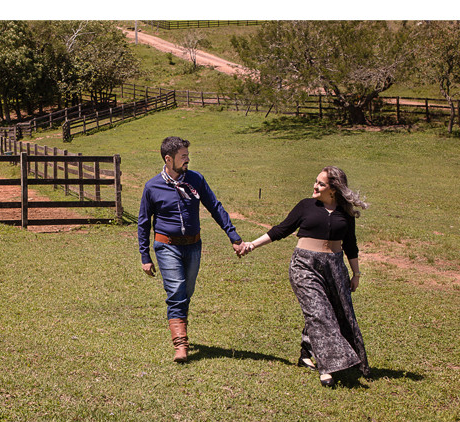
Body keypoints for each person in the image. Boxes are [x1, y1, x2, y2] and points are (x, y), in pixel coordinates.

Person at [242, 166, 370, 388]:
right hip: (304, 265)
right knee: (319, 312)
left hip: (335, 266)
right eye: (316, 181)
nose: (315, 186)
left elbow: (351, 245)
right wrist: (252, 244)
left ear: (334, 190)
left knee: (336, 312)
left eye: (321, 184)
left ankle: (306, 352)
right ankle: (326, 367)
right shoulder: (306, 206)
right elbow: (281, 229)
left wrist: (356, 273)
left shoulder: (345, 214)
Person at [138, 136, 246, 362]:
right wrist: (145, 255)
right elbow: (144, 222)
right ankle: (180, 346)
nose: (188, 159)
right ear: (168, 159)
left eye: (187, 155)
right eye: (183, 156)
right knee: (177, 292)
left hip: (193, 246)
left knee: (186, 292)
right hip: (166, 246)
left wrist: (233, 236)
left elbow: (215, 207)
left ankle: (180, 328)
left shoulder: (196, 179)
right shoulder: (152, 186)